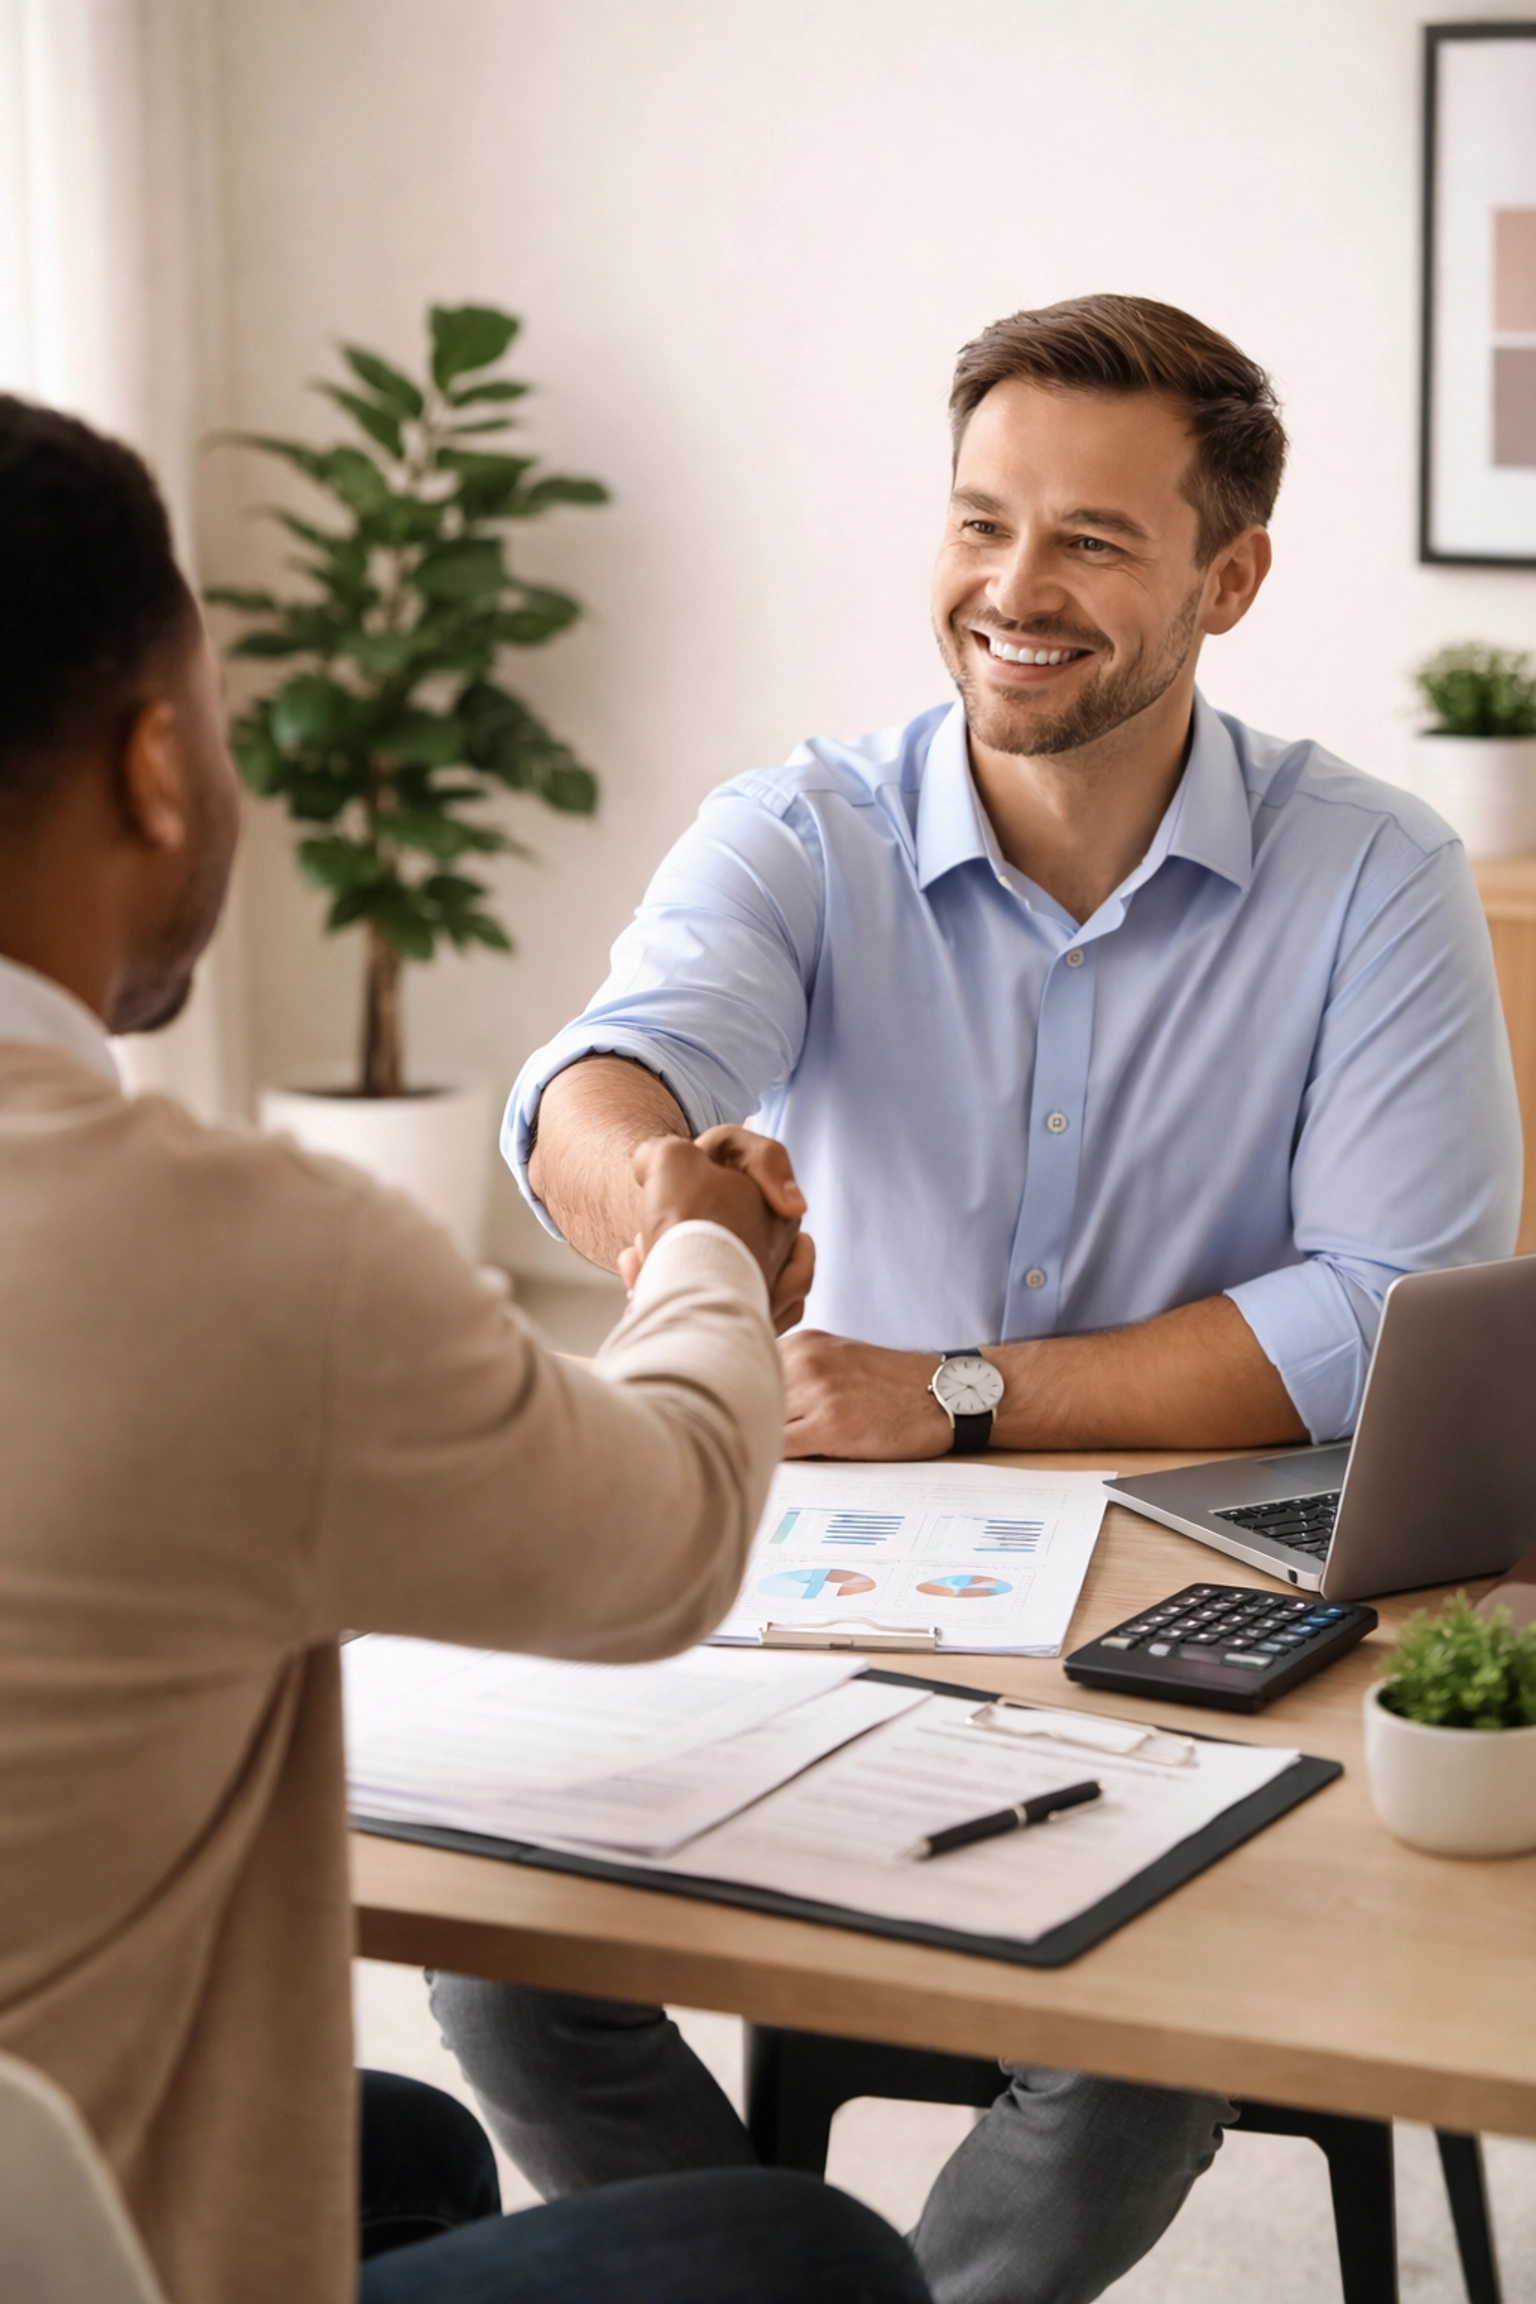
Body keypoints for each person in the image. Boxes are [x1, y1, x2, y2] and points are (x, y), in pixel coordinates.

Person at [434, 296, 1525, 2304]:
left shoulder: (1373, 875)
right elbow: (581, 1090)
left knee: (1139, 2021)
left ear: (1232, 576)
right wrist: (661, 1197)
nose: (1012, 591)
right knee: (501, 1966)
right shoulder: (801, 828)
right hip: (829, 1581)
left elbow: (1395, 1310)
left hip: (1199, 1589)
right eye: (978, 523)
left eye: (1093, 542)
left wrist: (950, 1391)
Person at [0, 391, 933, 2304]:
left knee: (406, 2147)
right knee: (802, 2262)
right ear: (159, 766)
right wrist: (699, 1246)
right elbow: (667, 1530)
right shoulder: (240, 1254)